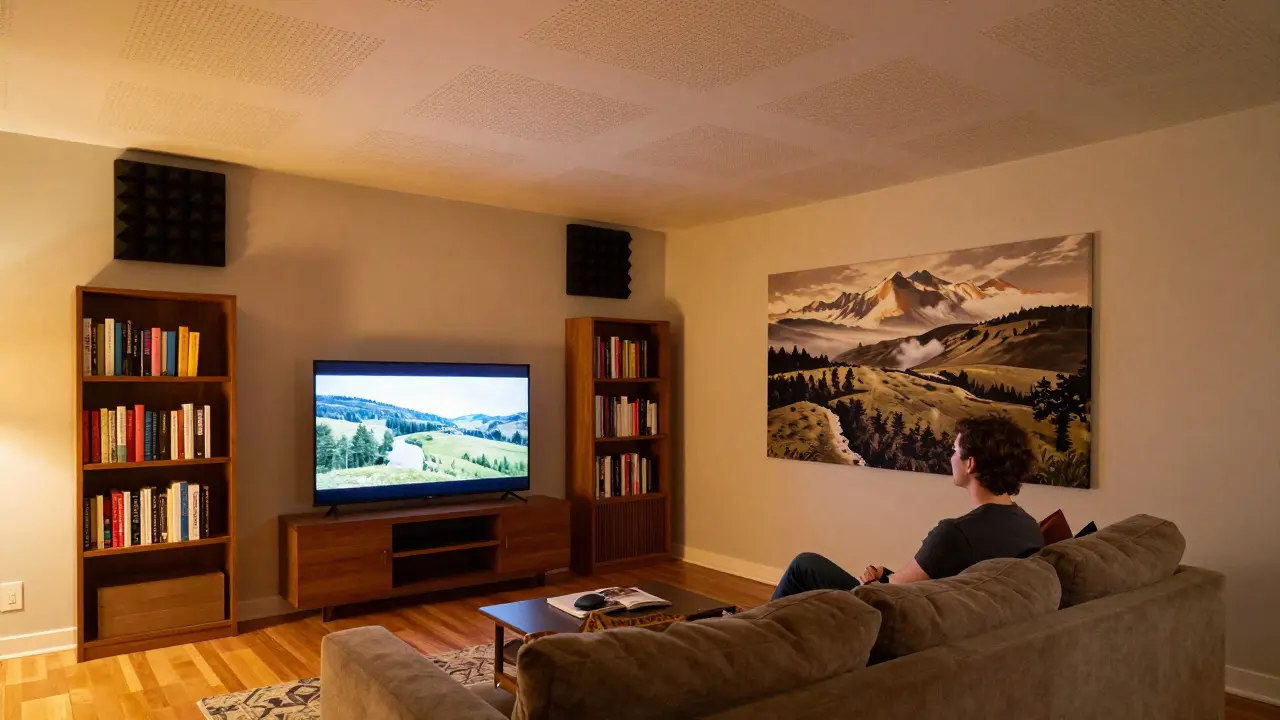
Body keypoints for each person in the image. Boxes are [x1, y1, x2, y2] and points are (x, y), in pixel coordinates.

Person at [771, 414, 1045, 600]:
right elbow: (920, 580)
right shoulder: (1029, 527)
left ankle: (754, 640)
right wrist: (885, 576)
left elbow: (888, 596)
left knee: (804, 565)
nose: (951, 457)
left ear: (970, 464)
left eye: (954, 450)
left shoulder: (954, 535)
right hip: (948, 617)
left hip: (887, 622)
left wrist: (874, 584)